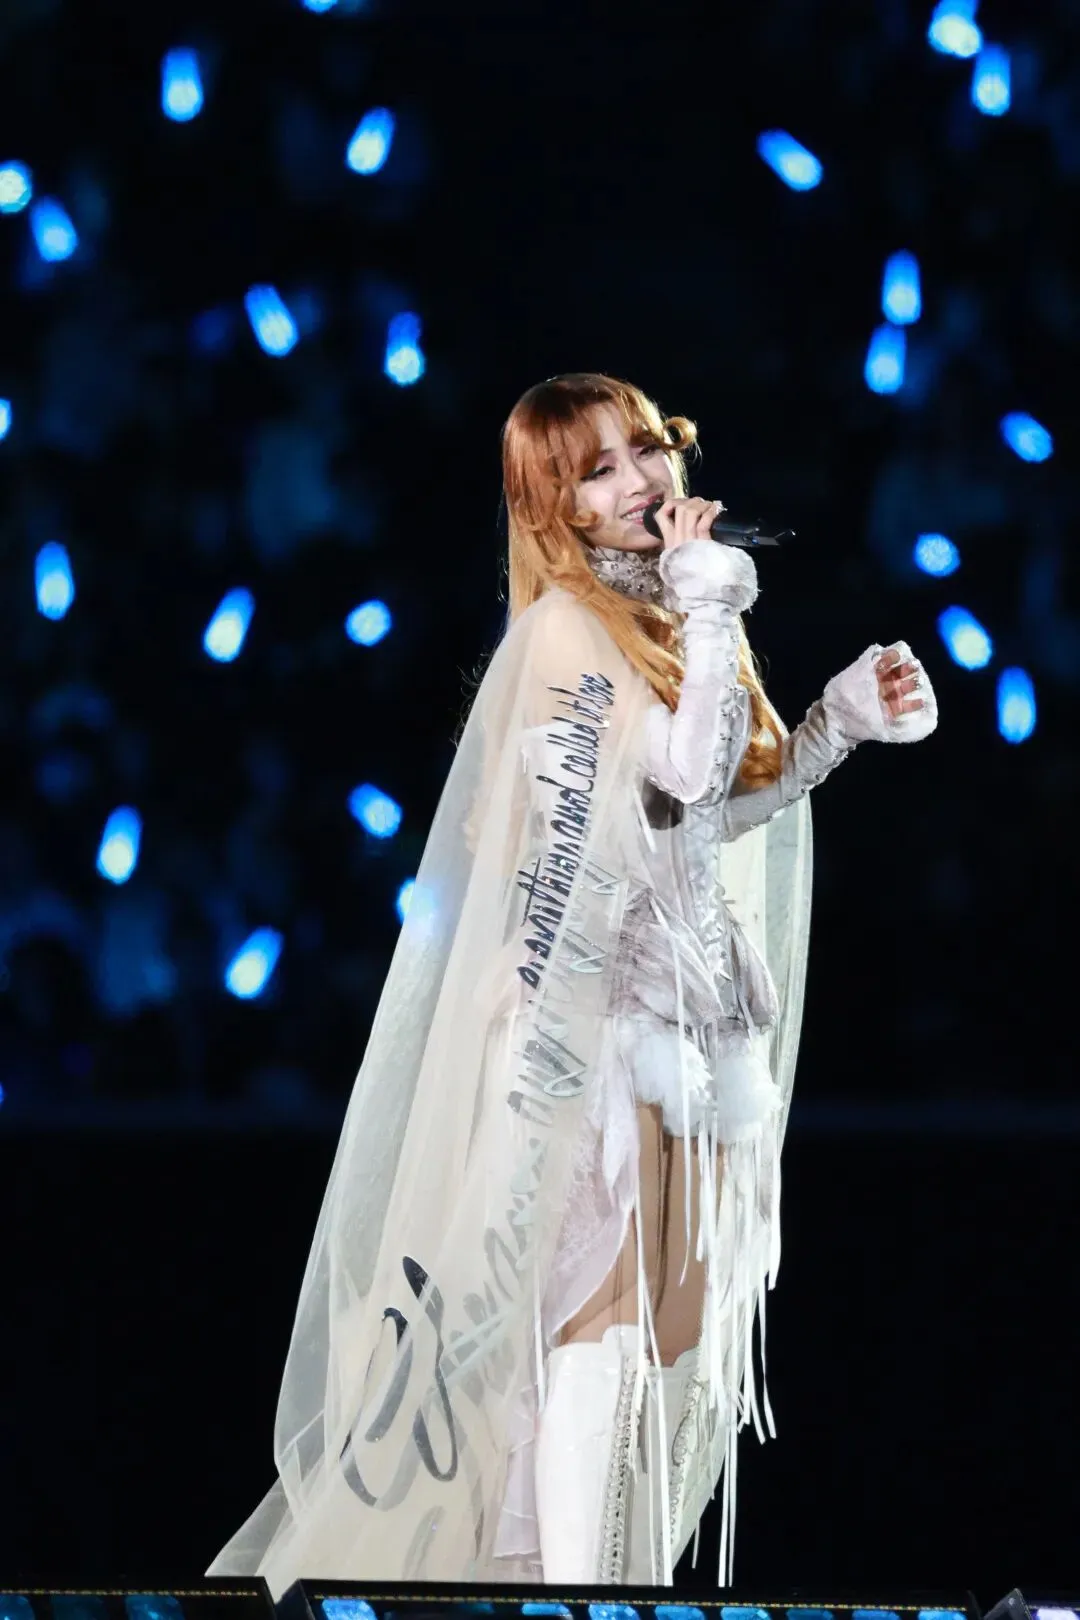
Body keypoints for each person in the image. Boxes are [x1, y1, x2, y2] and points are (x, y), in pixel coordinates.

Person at [207, 372, 937, 1593]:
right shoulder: (567, 632)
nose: (641, 480)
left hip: (680, 1023)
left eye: (645, 449)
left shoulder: (661, 613)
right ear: (558, 509)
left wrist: (831, 729)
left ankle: (603, 1591)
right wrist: (713, 595)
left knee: (661, 1333)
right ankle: (583, 1600)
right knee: (597, 1324)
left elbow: (698, 819)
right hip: (591, 1031)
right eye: (599, 470)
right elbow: (687, 774)